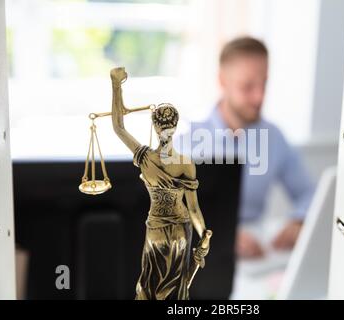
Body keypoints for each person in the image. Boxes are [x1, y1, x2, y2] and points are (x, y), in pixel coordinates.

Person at [175, 37, 315, 259]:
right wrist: (221, 233)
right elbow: (167, 211)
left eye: (264, 83)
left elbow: (309, 193)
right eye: (248, 86)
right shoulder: (185, 138)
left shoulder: (274, 137)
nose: (259, 97)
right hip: (200, 254)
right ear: (222, 81)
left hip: (258, 256)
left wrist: (299, 221)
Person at [110, 67, 212, 299]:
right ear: (174, 127)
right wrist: (203, 237)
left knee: (149, 287)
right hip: (181, 230)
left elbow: (118, 127)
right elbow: (194, 208)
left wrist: (116, 85)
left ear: (155, 127)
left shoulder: (145, 158)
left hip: (155, 228)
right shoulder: (186, 164)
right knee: (176, 291)